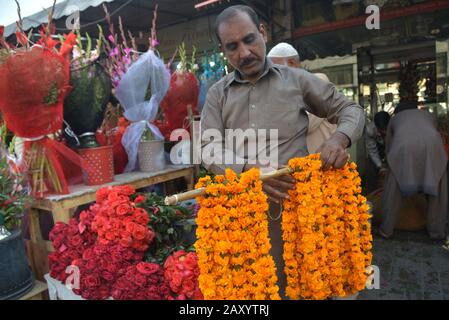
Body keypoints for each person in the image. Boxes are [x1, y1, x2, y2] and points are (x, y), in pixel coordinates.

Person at [200, 5, 365, 298]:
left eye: (249, 39)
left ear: (263, 33)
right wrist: (247, 170)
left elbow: (350, 109)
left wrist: (339, 139)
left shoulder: (296, 80)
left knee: (306, 285)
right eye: (232, 46)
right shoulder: (217, 94)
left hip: (299, 212)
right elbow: (209, 148)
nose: (244, 52)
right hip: (242, 219)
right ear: (223, 50)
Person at [379, 101, 448, 240]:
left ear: (397, 112)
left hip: (404, 147)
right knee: (438, 190)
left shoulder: (394, 119)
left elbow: (389, 146)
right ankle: (437, 232)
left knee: (393, 189)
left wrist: (390, 166)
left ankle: (386, 230)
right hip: (434, 145)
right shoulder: (428, 115)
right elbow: (432, 132)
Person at [267, 45, 338, 154]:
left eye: (276, 69)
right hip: (304, 166)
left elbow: (304, 125)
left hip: (326, 165)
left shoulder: (318, 80)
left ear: (291, 63)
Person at [364, 111, 390, 193]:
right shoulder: (369, 130)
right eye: (381, 130)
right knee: (371, 172)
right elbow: (372, 150)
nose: (384, 132)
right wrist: (380, 167)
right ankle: (371, 194)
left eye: (386, 129)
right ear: (376, 126)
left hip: (391, 147)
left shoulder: (396, 128)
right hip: (377, 148)